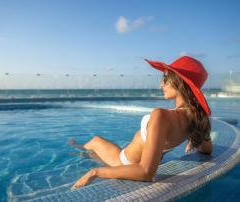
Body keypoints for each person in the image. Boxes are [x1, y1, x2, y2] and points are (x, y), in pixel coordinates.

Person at [70, 56, 212, 190]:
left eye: (166, 78)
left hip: (124, 162)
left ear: (179, 82)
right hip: (137, 158)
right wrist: (194, 138)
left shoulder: (161, 115)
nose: (161, 84)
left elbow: (146, 172)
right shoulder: (197, 119)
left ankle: (76, 148)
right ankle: (85, 153)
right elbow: (208, 150)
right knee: (94, 153)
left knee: (94, 141)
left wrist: (95, 173)